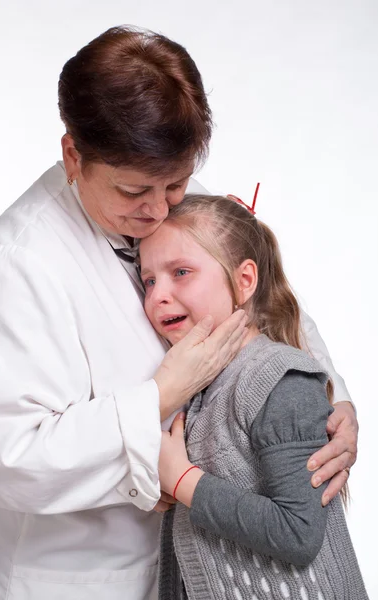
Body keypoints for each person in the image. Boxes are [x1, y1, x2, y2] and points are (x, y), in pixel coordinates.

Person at [0, 26, 357, 600]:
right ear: (73, 155)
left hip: (179, 562)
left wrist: (330, 399)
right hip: (60, 575)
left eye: (178, 183)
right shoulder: (21, 263)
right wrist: (158, 398)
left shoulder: (162, 193)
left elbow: (258, 293)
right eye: (136, 190)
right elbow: (8, 455)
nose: (160, 209)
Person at [139, 193, 368, 599]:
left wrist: (184, 479)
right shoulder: (200, 388)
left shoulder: (281, 381)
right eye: (149, 280)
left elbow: (298, 532)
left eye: (181, 272)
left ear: (244, 281)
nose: (158, 295)